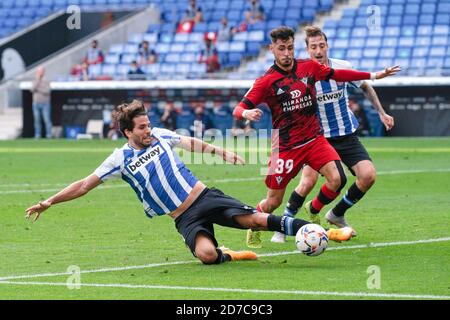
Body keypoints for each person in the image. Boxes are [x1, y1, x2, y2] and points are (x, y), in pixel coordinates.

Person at [25, 100, 354, 265]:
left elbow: (191, 143)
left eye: (148, 123)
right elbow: (84, 184)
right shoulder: (118, 159)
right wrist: (50, 201)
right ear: (127, 132)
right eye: (141, 127)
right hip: (184, 217)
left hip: (205, 198)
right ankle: (229, 253)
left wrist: (221, 151)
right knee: (208, 257)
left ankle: (320, 232)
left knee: (257, 218)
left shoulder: (161, 137)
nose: (148, 129)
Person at [232, 26, 400, 248]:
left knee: (337, 179)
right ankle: (255, 223)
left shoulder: (308, 67)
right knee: (273, 201)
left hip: (315, 139)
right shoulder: (266, 81)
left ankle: (316, 210)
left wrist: (374, 75)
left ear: (294, 47)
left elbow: (339, 74)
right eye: (281, 49)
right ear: (272, 49)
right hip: (286, 147)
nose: (286, 53)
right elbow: (239, 107)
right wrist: (246, 112)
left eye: (289, 48)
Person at [31, 66, 52, 139]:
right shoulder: (35, 79)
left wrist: (38, 89)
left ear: (43, 72)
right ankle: (37, 135)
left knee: (47, 120)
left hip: (45, 103)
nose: (40, 72)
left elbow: (47, 91)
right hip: (36, 103)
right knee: (37, 121)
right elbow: (32, 89)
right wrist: (37, 80)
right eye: (38, 71)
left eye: (41, 71)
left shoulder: (46, 79)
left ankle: (49, 135)